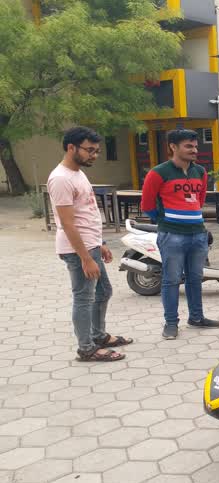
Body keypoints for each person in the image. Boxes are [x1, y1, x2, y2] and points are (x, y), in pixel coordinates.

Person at [48, 127, 133, 362]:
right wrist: (85, 257)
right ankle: (86, 348)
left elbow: (88, 212)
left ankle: (98, 335)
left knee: (103, 291)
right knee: (84, 298)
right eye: (90, 150)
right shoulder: (61, 178)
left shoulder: (78, 172)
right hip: (77, 251)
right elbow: (67, 223)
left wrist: (101, 242)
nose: (94, 155)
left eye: (97, 151)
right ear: (71, 147)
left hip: (91, 245)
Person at [141, 129, 219, 340]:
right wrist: (166, 220)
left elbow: (200, 199)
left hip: (198, 234)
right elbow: (147, 205)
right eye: (189, 146)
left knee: (195, 278)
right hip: (172, 235)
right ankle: (171, 323)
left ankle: (197, 317)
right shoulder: (158, 173)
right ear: (173, 147)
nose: (194, 150)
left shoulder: (201, 172)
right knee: (171, 280)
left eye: (195, 146)